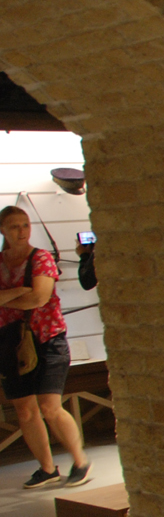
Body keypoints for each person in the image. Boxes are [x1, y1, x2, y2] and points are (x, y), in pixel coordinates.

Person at [0, 205, 90, 488]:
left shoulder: (40, 258)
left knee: (50, 407)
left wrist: (5, 298)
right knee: (25, 411)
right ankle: (47, 468)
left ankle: (80, 461)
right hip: (10, 342)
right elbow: (29, 296)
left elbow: (39, 298)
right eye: (14, 226)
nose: (21, 231)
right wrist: (19, 291)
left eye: (25, 225)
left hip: (47, 339)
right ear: (3, 230)